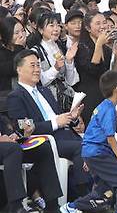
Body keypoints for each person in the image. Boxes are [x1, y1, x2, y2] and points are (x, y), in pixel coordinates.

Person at [59, 71, 117, 213]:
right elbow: (110, 138)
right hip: (97, 153)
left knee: (102, 190)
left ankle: (72, 207)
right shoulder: (108, 110)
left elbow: (94, 134)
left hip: (93, 153)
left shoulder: (103, 106)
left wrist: (88, 157)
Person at [7, 50, 89, 198]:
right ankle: (84, 196)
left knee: (96, 144)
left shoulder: (45, 91)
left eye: (38, 65)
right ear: (19, 69)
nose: (37, 69)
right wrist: (55, 123)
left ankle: (106, 192)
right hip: (44, 141)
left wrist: (73, 118)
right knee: (81, 147)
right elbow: (23, 129)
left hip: (65, 135)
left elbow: (59, 117)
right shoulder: (16, 96)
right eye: (32, 65)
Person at [0, 114, 63, 213]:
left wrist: (17, 135)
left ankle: (52, 205)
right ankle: (16, 206)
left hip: (7, 147)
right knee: (13, 150)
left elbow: (8, 132)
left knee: (43, 149)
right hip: (7, 148)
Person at [75, 12, 117, 125]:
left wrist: (116, 56)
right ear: (88, 28)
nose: (103, 26)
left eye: (104, 22)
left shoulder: (106, 48)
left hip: (104, 96)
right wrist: (99, 44)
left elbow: (112, 75)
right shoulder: (82, 47)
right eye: (98, 23)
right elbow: (93, 70)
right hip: (89, 97)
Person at [29, 11, 80, 111]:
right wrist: (56, 68)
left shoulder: (61, 47)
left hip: (67, 98)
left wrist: (69, 61)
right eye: (51, 25)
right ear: (40, 30)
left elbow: (70, 81)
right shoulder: (35, 52)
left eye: (58, 25)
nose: (56, 29)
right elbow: (41, 80)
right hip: (48, 100)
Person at [0, 17, 26, 92]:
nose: (21, 35)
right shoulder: (2, 52)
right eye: (16, 33)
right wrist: (19, 47)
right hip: (7, 95)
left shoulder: (25, 47)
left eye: (23, 31)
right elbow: (15, 68)